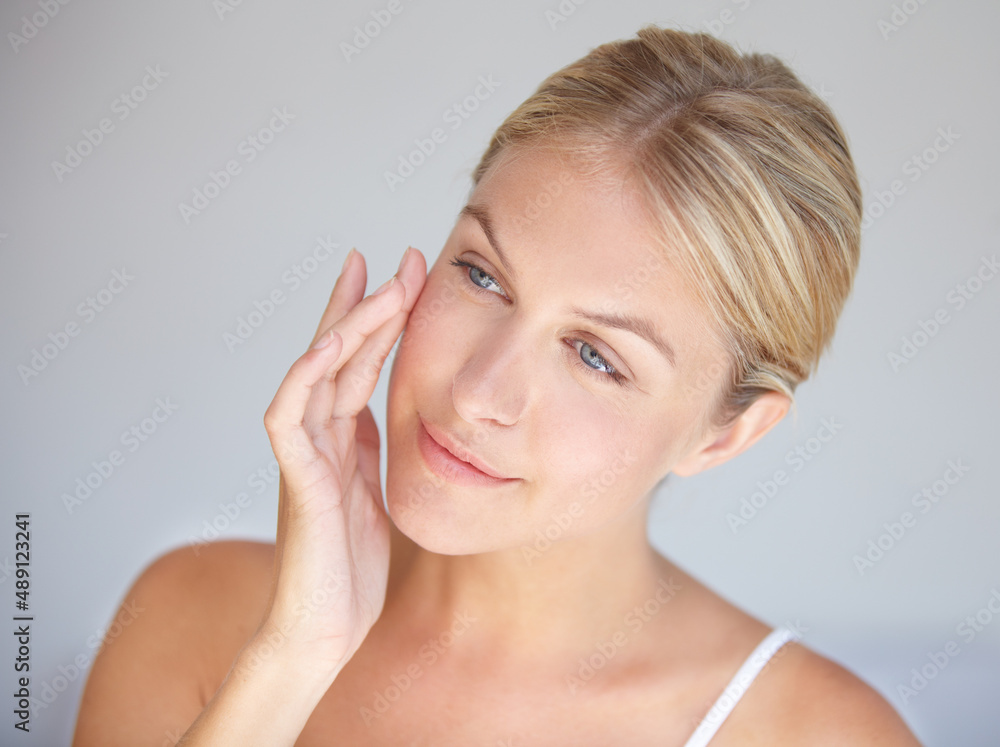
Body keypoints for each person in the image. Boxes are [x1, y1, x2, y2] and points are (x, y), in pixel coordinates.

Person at [72, 25, 922, 746]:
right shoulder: (188, 616)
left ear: (726, 433)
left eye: (596, 356)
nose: (479, 389)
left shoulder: (817, 732)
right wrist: (291, 658)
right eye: (481, 276)